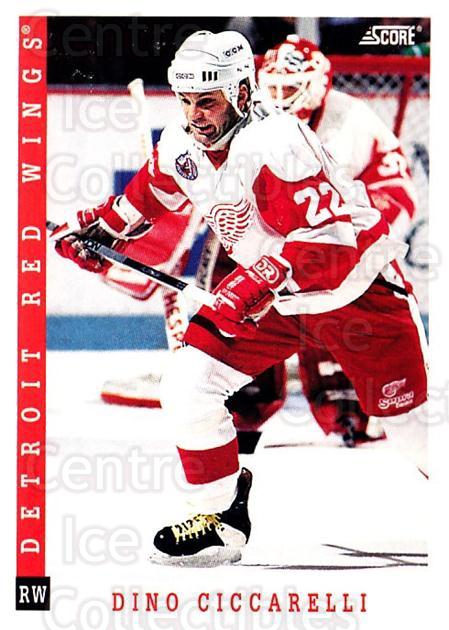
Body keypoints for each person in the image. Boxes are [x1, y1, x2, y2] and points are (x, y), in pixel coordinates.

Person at [52, 30, 428, 566]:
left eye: (207, 100)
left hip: (355, 294)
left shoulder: (278, 141)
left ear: (243, 93)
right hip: (278, 300)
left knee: (413, 431)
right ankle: (219, 519)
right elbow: (151, 192)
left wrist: (251, 283)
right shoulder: (183, 142)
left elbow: (333, 244)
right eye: (186, 100)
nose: (195, 115)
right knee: (188, 384)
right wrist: (100, 229)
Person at [102, 35, 419, 449]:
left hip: (335, 241)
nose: (281, 98)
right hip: (273, 235)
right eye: (274, 88)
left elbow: (387, 194)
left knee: (327, 298)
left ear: (317, 87)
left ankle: (345, 399)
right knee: (226, 282)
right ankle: (244, 398)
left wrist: (337, 247)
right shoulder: (246, 118)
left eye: (292, 88)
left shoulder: (350, 121)